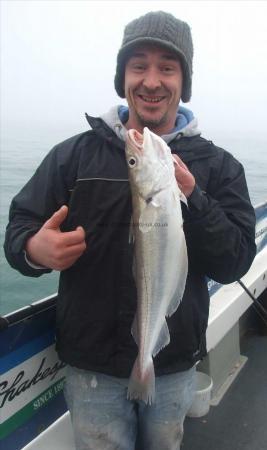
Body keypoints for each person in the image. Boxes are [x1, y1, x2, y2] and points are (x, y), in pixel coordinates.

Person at [4, 10, 256, 450]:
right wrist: (33, 247)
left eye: (167, 67)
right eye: (138, 65)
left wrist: (195, 198)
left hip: (173, 360)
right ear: (122, 77)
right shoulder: (74, 157)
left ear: (184, 81)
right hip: (91, 367)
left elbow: (236, 259)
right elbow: (18, 229)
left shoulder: (218, 167)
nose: (151, 81)